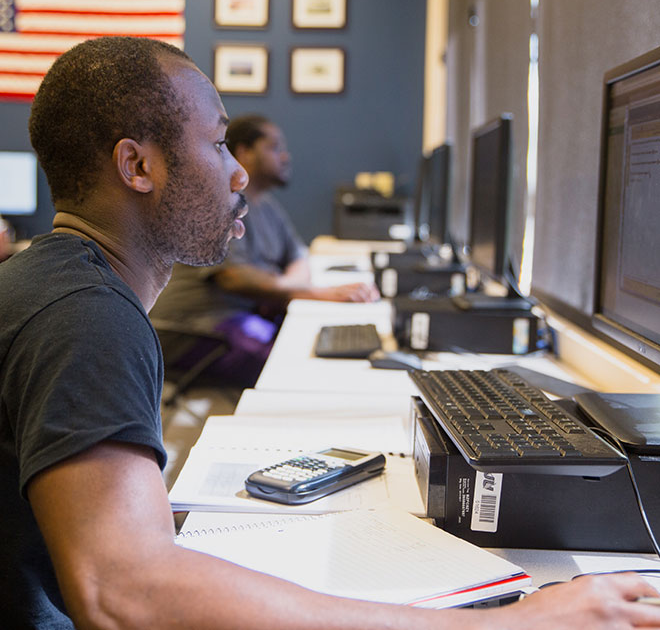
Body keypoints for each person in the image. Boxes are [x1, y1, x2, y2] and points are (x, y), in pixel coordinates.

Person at [1, 35, 659, 630]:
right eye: (218, 141)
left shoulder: (66, 288)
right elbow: (125, 593)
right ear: (137, 167)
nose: (238, 172)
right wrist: (503, 626)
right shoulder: (87, 317)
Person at [150, 113, 379, 387]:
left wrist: (290, 286)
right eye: (275, 148)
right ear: (245, 152)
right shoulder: (216, 203)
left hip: (240, 318)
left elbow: (298, 255)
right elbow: (234, 278)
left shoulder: (266, 206)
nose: (285, 157)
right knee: (288, 366)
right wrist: (310, 292)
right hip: (198, 329)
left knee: (302, 347)